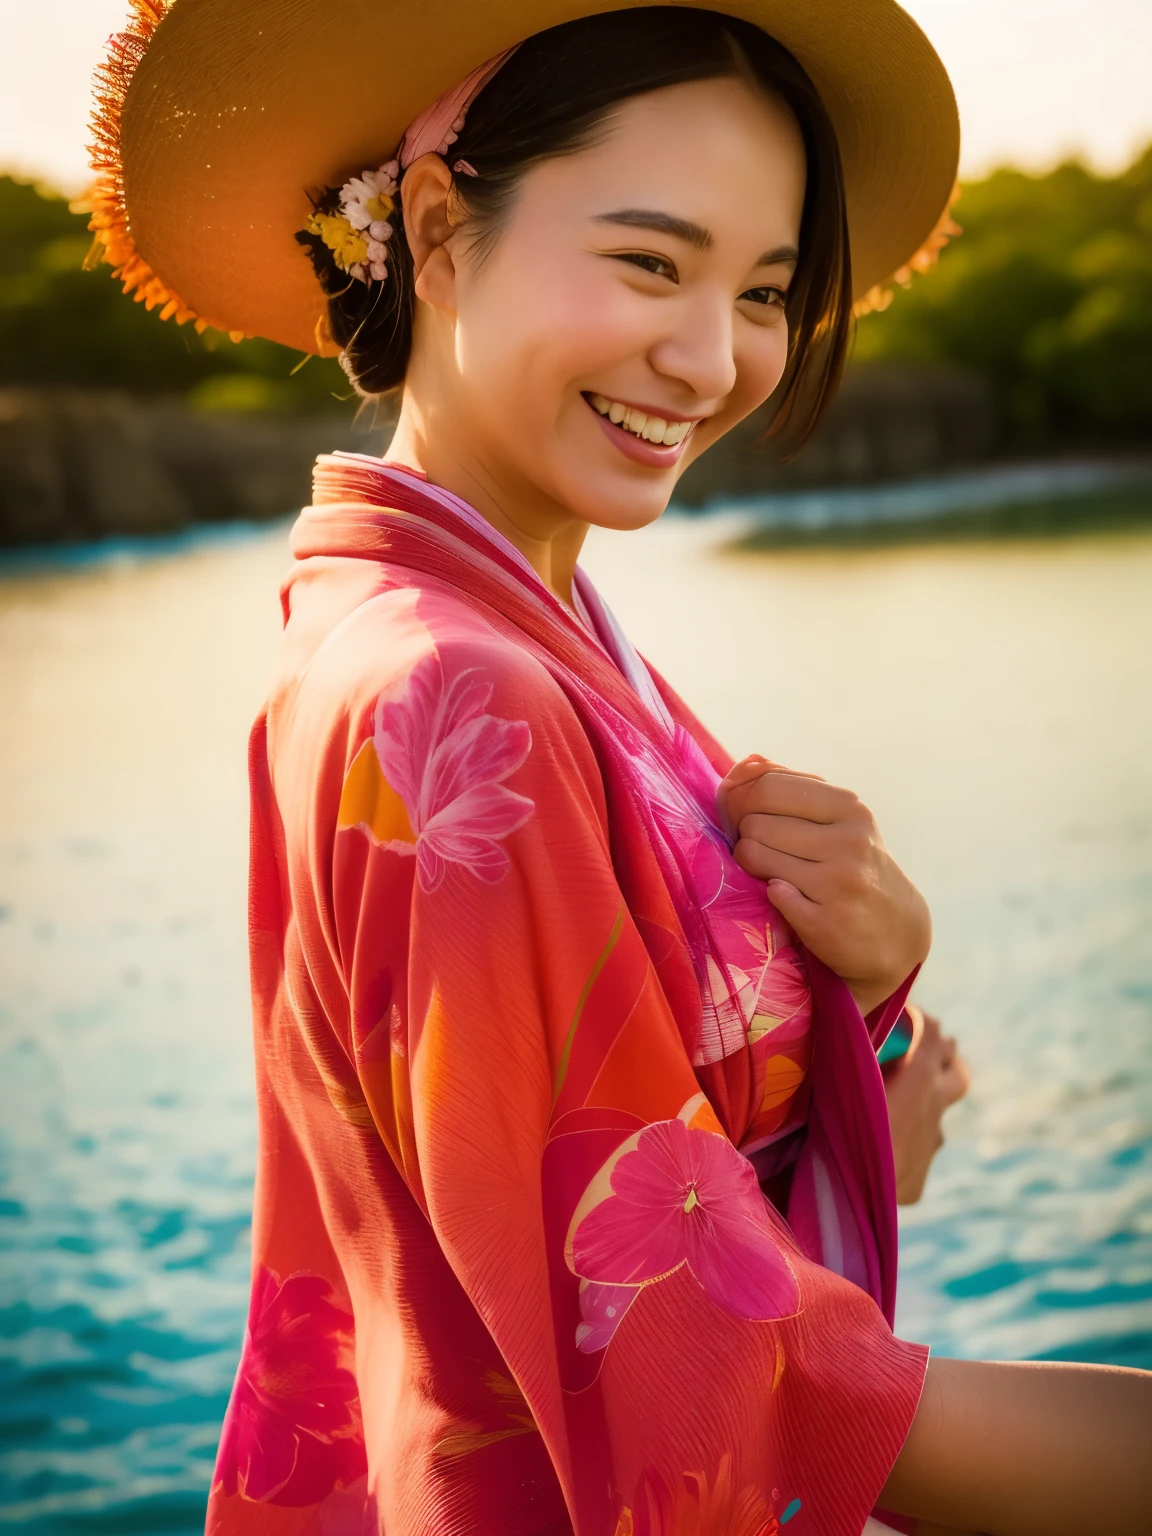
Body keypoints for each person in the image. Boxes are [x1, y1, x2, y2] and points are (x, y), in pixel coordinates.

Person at [87, 3, 1152, 1533]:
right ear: (441, 228)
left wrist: (869, 1011)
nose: (713, 359)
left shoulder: (477, 632)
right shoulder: (454, 691)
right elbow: (706, 1372)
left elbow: (569, 1184)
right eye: (652, 262)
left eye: (766, 292)